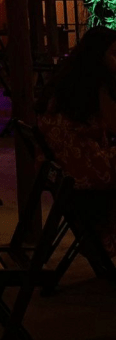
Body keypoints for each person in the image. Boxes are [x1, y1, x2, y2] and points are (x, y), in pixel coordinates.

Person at [37, 26, 116, 256]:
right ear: (98, 55)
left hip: (68, 173)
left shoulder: (69, 82)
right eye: (114, 54)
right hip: (85, 173)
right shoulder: (97, 86)